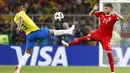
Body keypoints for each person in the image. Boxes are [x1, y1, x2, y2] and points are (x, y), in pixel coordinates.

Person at [62, 3, 124, 73]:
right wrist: (93, 10)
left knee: (109, 53)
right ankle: (68, 44)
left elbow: (122, 19)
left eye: (106, 8)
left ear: (110, 9)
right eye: (104, 8)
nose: (104, 9)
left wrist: (115, 13)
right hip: (97, 34)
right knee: (84, 38)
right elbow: (90, 15)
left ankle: (112, 72)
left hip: (106, 38)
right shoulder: (101, 13)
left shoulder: (113, 17)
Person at [13, 3, 75, 73]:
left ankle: (18, 68)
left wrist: (25, 8)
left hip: (29, 36)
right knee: (51, 32)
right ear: (18, 9)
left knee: (27, 53)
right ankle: (69, 31)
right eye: (21, 7)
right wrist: (18, 27)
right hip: (36, 31)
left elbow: (22, 16)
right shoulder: (21, 14)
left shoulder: (15, 18)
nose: (22, 8)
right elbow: (21, 18)